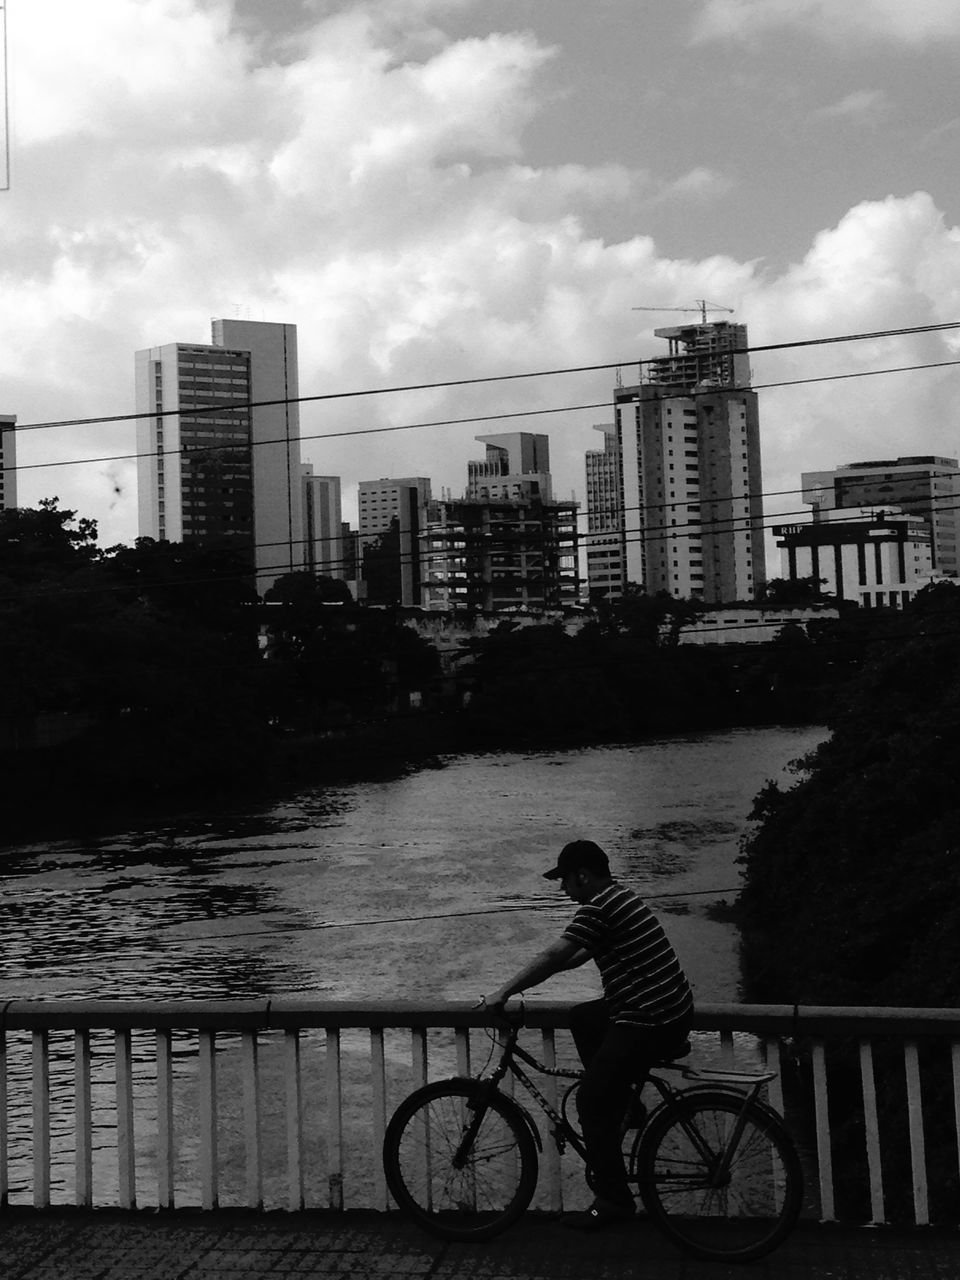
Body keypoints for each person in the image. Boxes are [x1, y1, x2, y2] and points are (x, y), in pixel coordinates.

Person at [482, 839, 694, 1231]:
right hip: (668, 1010)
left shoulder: (600, 906)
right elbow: (573, 956)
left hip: (650, 1018)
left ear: (583, 875)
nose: (563, 890)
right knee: (583, 1018)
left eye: (565, 880)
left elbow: (554, 955)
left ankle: (613, 1200)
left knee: (592, 1101)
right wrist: (540, 976)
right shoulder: (621, 897)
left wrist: (503, 992)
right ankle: (628, 1101)